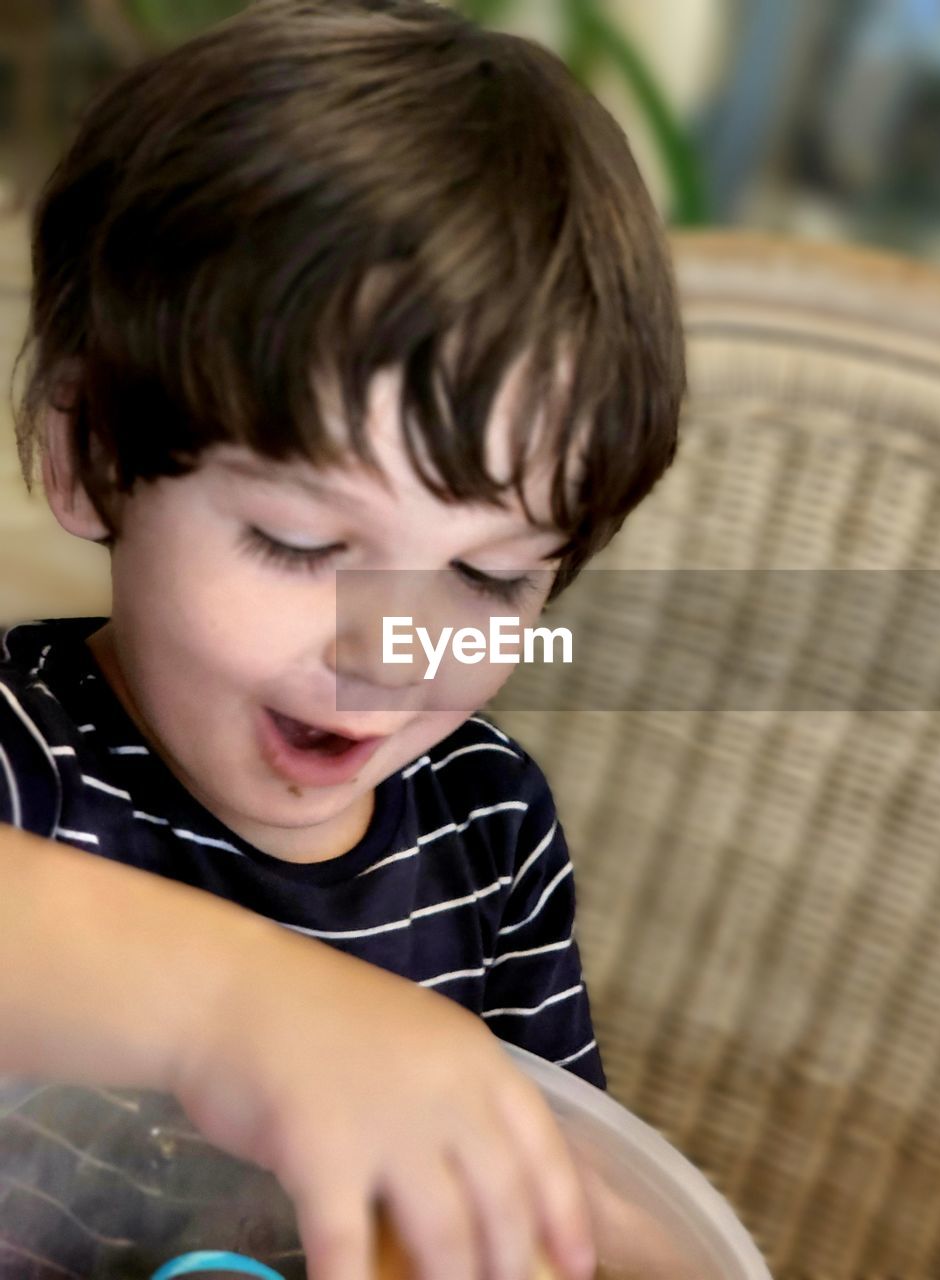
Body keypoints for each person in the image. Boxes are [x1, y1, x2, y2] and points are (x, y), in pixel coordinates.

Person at [0, 1, 684, 1277]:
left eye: (489, 575)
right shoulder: (26, 758)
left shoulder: (490, 825)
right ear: (91, 455)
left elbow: (558, 1171)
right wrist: (236, 1006)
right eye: (304, 546)